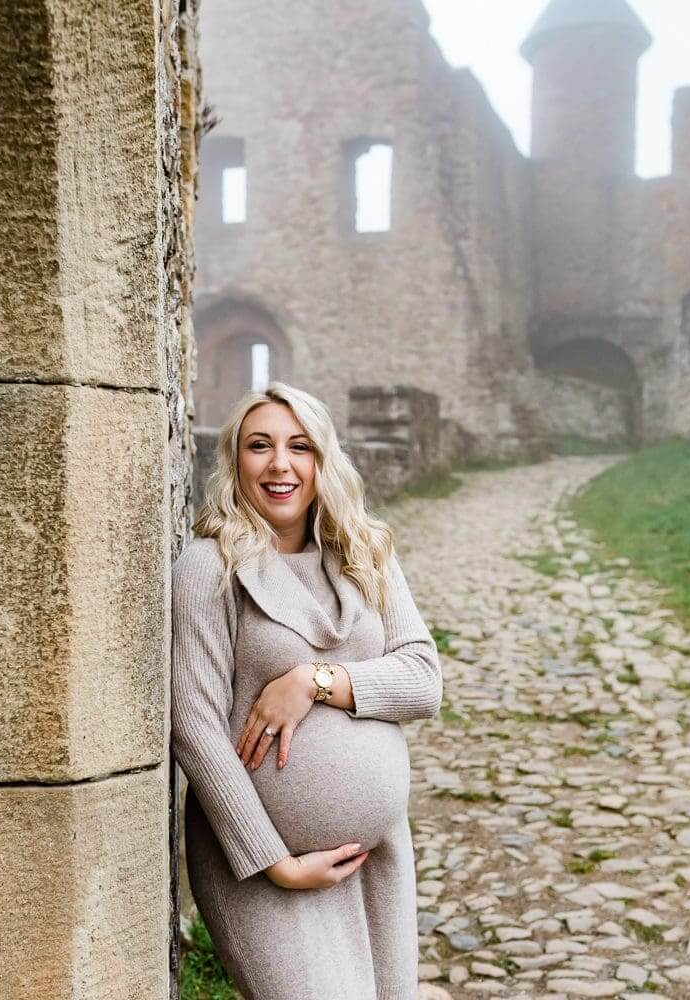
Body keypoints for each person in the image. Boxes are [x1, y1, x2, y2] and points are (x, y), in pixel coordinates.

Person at [171, 381, 443, 1000]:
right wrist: (279, 864)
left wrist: (316, 681)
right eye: (259, 446)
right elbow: (195, 727)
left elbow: (423, 679)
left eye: (299, 447)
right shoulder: (209, 569)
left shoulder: (366, 553)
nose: (280, 465)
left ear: (323, 459)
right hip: (260, 865)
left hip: (376, 855)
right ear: (234, 460)